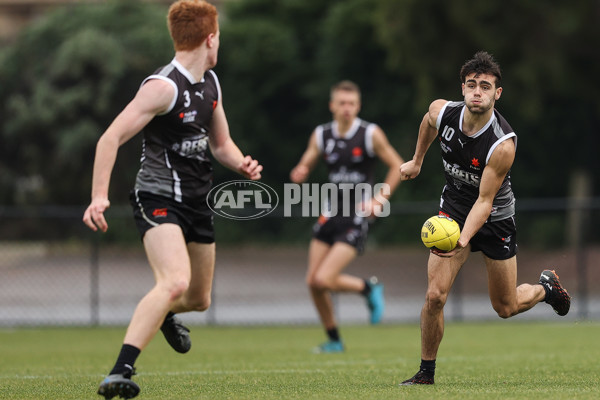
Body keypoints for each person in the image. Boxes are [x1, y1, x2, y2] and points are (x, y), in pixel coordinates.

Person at [82, 1, 262, 398]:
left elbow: (221, 144)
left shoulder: (211, 84)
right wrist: (98, 197)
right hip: (158, 196)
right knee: (174, 281)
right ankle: (120, 371)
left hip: (198, 201)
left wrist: (242, 163)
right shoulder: (163, 87)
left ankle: (163, 314)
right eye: (220, 38)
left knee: (198, 298)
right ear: (210, 38)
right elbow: (109, 138)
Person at [398, 51, 571, 385]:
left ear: (497, 93)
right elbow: (427, 121)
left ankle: (545, 289)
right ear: (462, 88)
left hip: (494, 217)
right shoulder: (443, 111)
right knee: (434, 296)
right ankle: (425, 374)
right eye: (472, 85)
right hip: (453, 207)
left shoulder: (502, 144)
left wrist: (461, 240)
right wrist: (417, 160)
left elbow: (485, 201)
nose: (477, 92)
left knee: (505, 307)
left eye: (485, 87)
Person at [290, 80, 404, 353]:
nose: (346, 108)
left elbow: (397, 165)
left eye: (351, 103)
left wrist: (380, 198)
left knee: (324, 279)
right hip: (329, 214)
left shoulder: (369, 134)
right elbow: (308, 159)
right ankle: (334, 340)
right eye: (341, 103)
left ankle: (368, 289)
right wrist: (301, 171)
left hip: (356, 216)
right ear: (332, 105)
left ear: (358, 106)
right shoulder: (321, 135)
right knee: (312, 282)